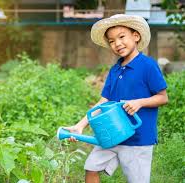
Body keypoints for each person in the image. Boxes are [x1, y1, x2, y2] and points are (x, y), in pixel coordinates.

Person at [64, 14, 168, 183]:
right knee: (91, 168)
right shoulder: (114, 70)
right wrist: (80, 125)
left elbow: (163, 97)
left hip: (138, 138)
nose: (117, 43)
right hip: (112, 133)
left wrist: (140, 102)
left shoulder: (147, 65)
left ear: (136, 36)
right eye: (111, 41)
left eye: (121, 37)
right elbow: (103, 101)